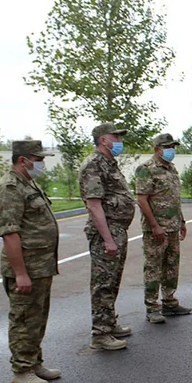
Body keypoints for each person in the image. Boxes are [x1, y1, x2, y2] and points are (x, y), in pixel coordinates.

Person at [0, 140, 61, 383]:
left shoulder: (28, 183)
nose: (41, 164)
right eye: (38, 159)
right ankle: (21, 371)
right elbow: (10, 234)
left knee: (37, 318)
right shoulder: (9, 188)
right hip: (27, 267)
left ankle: (34, 363)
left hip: (41, 265)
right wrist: (20, 273)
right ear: (23, 160)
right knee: (23, 319)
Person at [78, 123, 136, 351]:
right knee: (103, 283)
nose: (119, 140)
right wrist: (108, 239)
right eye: (116, 136)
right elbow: (94, 205)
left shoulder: (109, 163)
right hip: (107, 233)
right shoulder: (93, 165)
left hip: (117, 230)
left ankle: (109, 324)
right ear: (103, 140)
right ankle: (100, 334)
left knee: (112, 281)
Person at [134, 133, 192, 325]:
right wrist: (154, 226)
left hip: (173, 227)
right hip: (156, 230)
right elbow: (142, 200)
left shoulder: (171, 169)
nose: (172, 150)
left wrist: (182, 221)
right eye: (168, 147)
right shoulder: (146, 169)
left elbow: (175, 198)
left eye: (173, 147)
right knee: (153, 267)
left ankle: (169, 302)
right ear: (157, 149)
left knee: (172, 266)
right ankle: (152, 307)